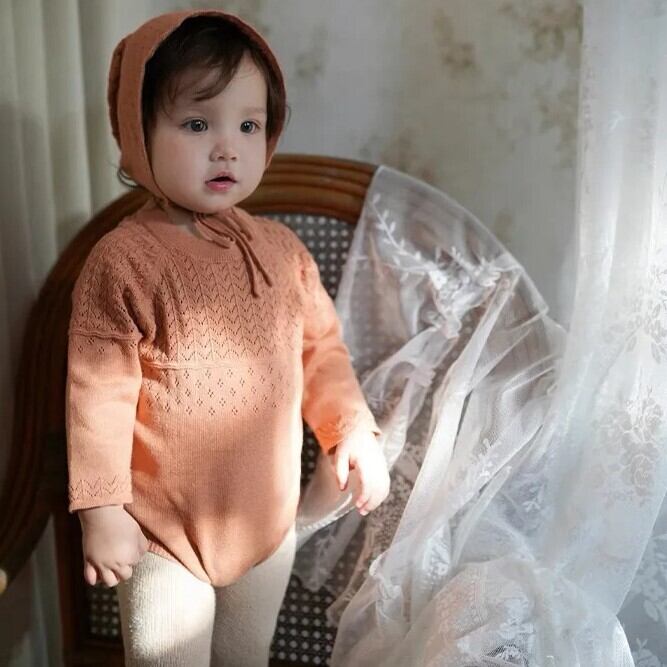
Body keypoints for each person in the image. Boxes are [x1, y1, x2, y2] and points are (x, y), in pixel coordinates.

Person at [65, 9, 390, 666]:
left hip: (265, 527)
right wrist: (102, 507)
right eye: (196, 124)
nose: (227, 147)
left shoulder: (281, 251)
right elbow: (97, 391)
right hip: (163, 535)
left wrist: (350, 429)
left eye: (248, 125)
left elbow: (321, 352)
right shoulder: (124, 260)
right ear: (138, 132)